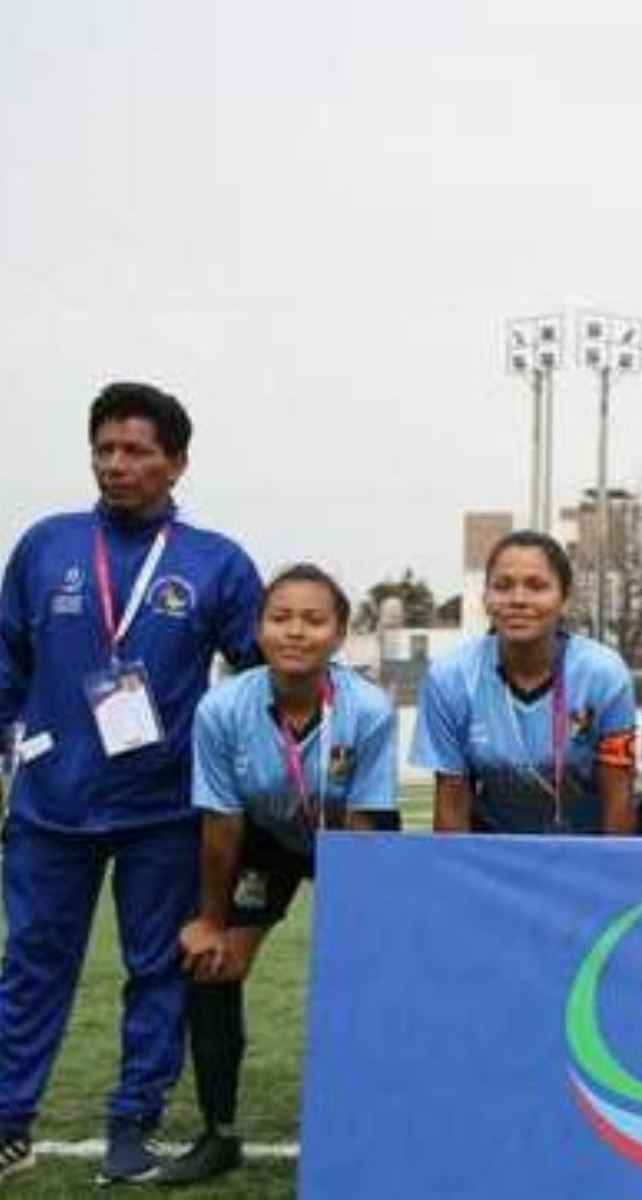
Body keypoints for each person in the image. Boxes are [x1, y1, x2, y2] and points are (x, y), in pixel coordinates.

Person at [0, 383, 262, 1184]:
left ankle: (131, 1125)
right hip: (51, 807)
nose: (117, 465)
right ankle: (10, 1122)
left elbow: (260, 676)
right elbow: (7, 667)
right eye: (105, 448)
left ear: (176, 463)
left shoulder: (216, 561)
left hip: (163, 812)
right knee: (32, 965)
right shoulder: (46, 544)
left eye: (137, 451)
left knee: (157, 969)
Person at [156, 566, 397, 1185]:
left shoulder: (367, 709)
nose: (295, 631)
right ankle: (219, 1132)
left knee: (373, 970)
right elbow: (222, 824)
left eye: (314, 620)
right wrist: (211, 921)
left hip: (348, 836)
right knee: (212, 964)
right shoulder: (223, 707)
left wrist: (362, 921)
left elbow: (367, 826)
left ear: (340, 636)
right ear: (258, 630)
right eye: (280, 617)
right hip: (263, 836)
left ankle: (378, 1118)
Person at [412, 531, 638, 835]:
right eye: (502, 586)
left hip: (588, 842)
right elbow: (452, 802)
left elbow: (619, 798)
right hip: (495, 843)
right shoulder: (450, 677)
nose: (518, 599)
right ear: (485, 597)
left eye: (537, 586)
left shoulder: (604, 674)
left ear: (565, 599)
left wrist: (606, 876)